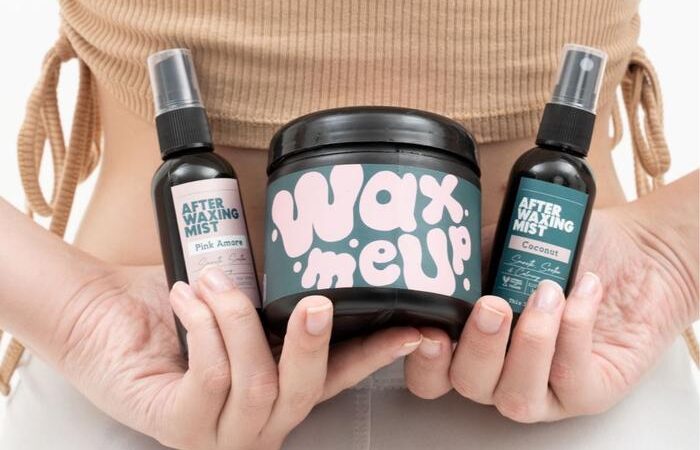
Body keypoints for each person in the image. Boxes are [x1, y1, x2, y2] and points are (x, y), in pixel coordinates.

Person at [1, 1, 698, 449]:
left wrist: (673, 257)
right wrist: (77, 316)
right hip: (151, 377)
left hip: (571, 376)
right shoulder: (109, 334)